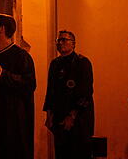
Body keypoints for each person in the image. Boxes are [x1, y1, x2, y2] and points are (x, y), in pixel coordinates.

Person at [0, 14, 36, 159]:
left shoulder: (21, 57)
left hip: (13, 124)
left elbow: (29, 84)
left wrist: (4, 75)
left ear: (1, 29)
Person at [43, 30, 94, 159]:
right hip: (59, 116)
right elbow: (51, 91)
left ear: (73, 44)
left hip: (79, 119)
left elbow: (86, 92)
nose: (60, 43)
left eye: (64, 40)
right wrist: (49, 115)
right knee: (61, 152)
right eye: (58, 40)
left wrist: (72, 116)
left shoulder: (82, 63)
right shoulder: (55, 64)